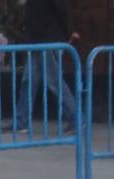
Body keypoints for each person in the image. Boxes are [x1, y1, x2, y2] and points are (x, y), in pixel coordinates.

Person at [14, 0, 79, 133]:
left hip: (47, 40)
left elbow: (63, 9)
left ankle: (76, 118)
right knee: (29, 81)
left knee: (54, 81)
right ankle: (21, 121)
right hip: (39, 40)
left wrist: (69, 32)